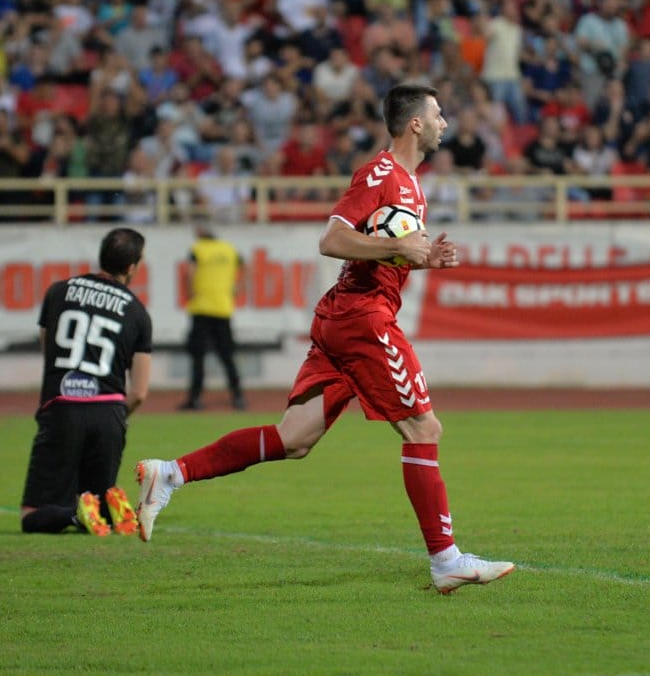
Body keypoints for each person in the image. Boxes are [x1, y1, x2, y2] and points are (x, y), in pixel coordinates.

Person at [135, 84, 515, 595]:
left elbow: (382, 253)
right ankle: (446, 560)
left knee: (294, 439)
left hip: (347, 315)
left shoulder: (413, 185)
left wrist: (420, 256)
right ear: (415, 124)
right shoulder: (380, 173)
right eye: (439, 114)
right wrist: (397, 245)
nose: (446, 123)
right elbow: (331, 239)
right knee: (424, 430)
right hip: (362, 318)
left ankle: (171, 474)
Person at [19, 228, 152, 536]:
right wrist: (115, 415)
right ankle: (106, 507)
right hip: (109, 414)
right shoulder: (137, 311)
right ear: (132, 267)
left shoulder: (57, 292)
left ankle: (77, 514)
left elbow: (48, 350)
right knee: (96, 501)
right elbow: (140, 392)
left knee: (33, 515)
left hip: (62, 407)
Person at [179, 223, 247, 412]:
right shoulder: (229, 250)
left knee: (198, 356)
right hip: (223, 308)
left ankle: (195, 399)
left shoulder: (197, 249)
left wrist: (190, 292)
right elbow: (244, 267)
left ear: (201, 233)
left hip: (201, 308)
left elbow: (190, 273)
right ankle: (238, 397)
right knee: (227, 356)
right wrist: (239, 287)